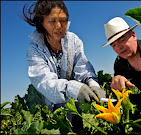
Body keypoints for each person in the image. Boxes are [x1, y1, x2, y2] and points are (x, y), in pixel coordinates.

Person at [22, 0, 105, 130]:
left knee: (78, 128)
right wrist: (73, 88)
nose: (59, 26)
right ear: (41, 22)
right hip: (51, 103)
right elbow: (44, 81)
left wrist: (93, 85)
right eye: (52, 21)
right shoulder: (35, 49)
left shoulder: (73, 40)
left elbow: (83, 69)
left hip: (75, 101)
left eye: (63, 20)